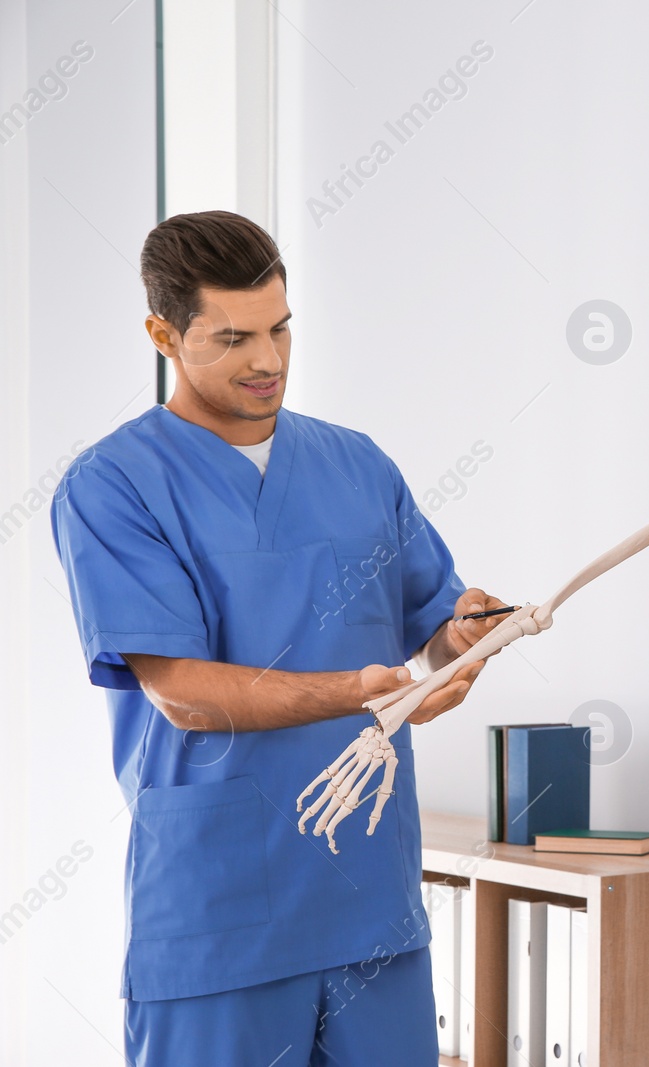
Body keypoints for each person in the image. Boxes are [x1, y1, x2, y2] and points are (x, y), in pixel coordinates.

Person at [51, 210, 509, 1065]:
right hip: (218, 914)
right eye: (232, 338)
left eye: (280, 328)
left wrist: (465, 635)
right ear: (163, 333)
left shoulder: (358, 465)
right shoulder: (113, 485)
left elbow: (434, 636)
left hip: (370, 901)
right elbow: (181, 691)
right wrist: (360, 690)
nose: (268, 360)